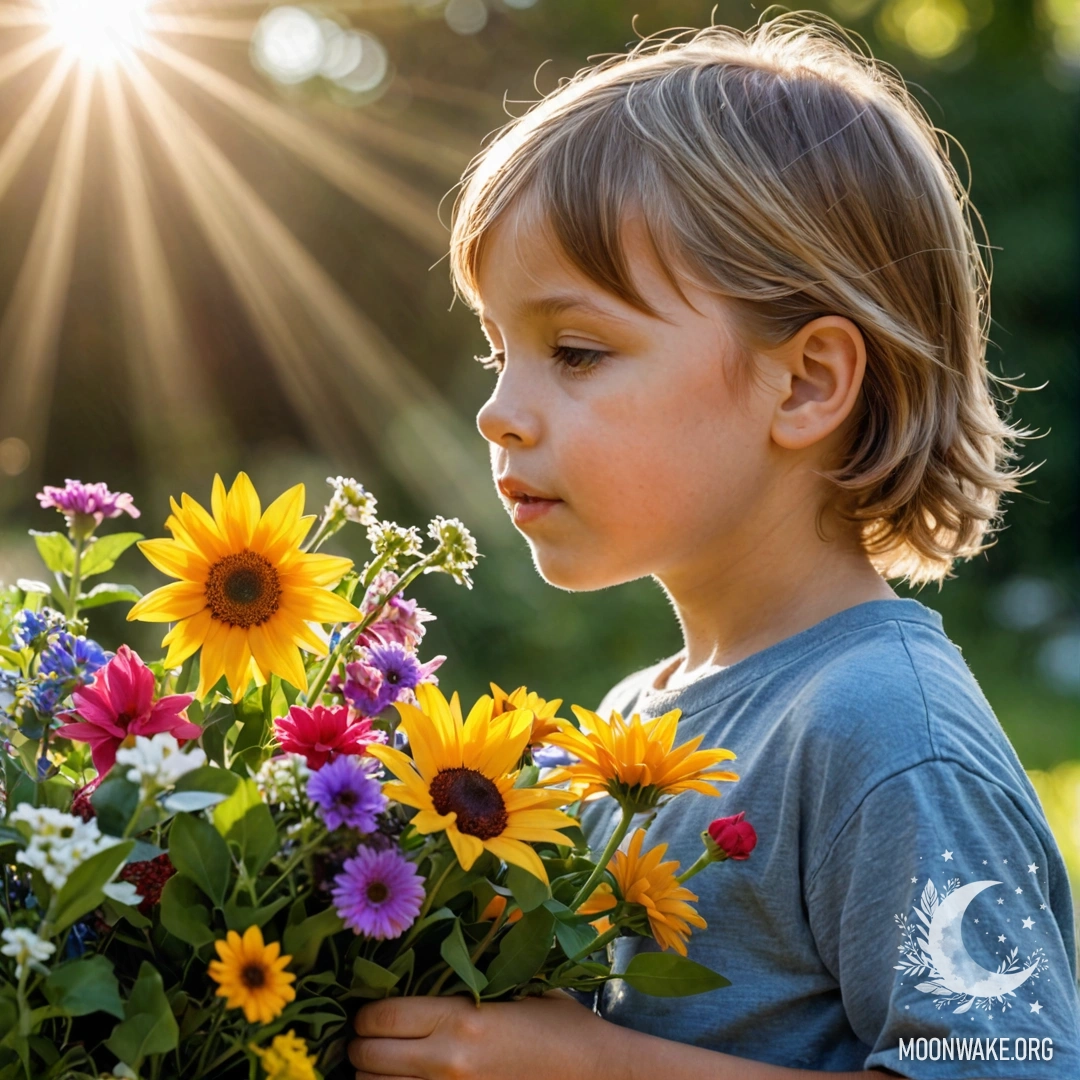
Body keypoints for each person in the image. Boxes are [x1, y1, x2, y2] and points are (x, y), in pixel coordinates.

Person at [348, 13, 1080, 1079]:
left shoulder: (882, 733)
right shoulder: (640, 716)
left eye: (578, 350)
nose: (497, 411)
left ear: (808, 382)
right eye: (498, 350)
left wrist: (584, 1067)